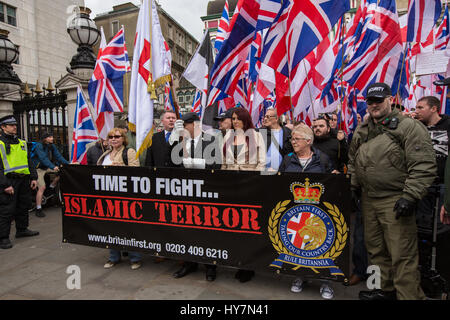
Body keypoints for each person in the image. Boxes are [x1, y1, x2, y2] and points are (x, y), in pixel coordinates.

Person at [348, 83, 437, 300]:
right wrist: (351, 187)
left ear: (390, 99)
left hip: (395, 198)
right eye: (371, 101)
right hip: (369, 199)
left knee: (402, 254)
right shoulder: (363, 129)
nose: (375, 105)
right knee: (375, 250)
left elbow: (424, 164)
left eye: (379, 100)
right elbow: (353, 161)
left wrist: (410, 195)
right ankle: (381, 290)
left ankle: (409, 296)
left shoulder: (409, 127)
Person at [278, 124, 336, 299]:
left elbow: (332, 184)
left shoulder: (323, 159)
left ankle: (326, 281)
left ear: (308, 141)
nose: (293, 142)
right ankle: (300, 277)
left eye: (297, 139)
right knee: (298, 246)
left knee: (321, 247)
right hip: (295, 213)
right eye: (292, 139)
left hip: (318, 214)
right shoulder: (288, 159)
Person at [168, 112, 221, 281]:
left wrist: (193, 163)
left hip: (205, 193)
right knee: (186, 232)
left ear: (194, 124)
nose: (182, 129)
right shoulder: (179, 141)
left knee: (206, 232)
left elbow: (216, 164)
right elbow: (171, 163)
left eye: (184, 126)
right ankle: (189, 264)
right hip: (184, 192)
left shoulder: (210, 140)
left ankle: (210, 266)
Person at [221, 108, 266, 282]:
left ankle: (248, 266)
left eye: (238, 119)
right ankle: (237, 260)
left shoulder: (256, 136)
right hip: (231, 186)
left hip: (249, 186)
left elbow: (261, 163)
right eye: (233, 119)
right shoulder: (227, 136)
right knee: (234, 226)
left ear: (245, 119)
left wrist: (253, 184)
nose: (235, 122)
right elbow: (224, 163)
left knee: (248, 227)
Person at [97, 128, 142, 270]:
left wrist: (120, 167)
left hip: (125, 197)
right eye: (111, 137)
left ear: (123, 138)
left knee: (129, 228)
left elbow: (136, 171)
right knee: (111, 227)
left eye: (117, 136)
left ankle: (135, 258)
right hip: (109, 197)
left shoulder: (129, 152)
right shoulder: (105, 154)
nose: (114, 139)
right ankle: (113, 257)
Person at [0, 115, 39, 249]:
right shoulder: (0, 143)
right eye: (11, 125)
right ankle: (3, 238)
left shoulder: (22, 142)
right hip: (8, 181)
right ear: (3, 127)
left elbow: (29, 162)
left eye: (15, 124)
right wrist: (5, 185)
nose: (14, 127)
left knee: (23, 205)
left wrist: (33, 177)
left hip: (23, 180)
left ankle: (22, 229)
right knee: (7, 209)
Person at [414, 96, 450, 233]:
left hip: (443, 185)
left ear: (434, 109)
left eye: (421, 108)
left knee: (443, 226)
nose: (417, 111)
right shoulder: (415, 126)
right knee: (423, 226)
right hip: (422, 183)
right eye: (416, 107)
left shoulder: (448, 125)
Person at [31, 131, 69, 218]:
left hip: (46, 167)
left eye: (52, 136)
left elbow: (58, 156)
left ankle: (51, 187)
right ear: (45, 138)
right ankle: (38, 208)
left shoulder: (51, 145)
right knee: (42, 187)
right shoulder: (38, 146)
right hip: (38, 169)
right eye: (49, 137)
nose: (52, 138)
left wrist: (68, 164)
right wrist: (52, 166)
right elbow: (43, 158)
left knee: (61, 172)